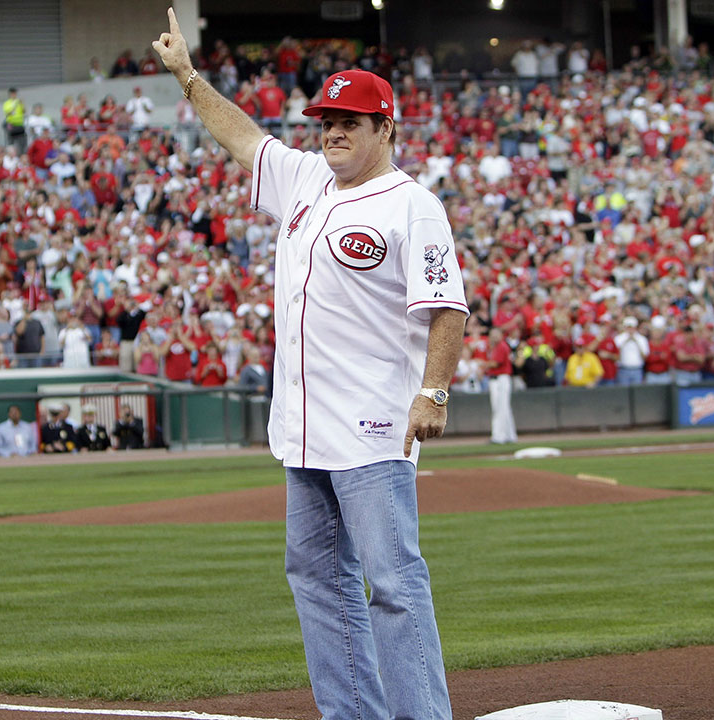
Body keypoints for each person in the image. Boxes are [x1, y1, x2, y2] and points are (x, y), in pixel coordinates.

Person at [153, 13, 465, 720]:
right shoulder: (303, 180)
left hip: (373, 427)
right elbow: (242, 136)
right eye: (327, 120)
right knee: (318, 581)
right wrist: (188, 77)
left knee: (392, 583)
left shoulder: (413, 206)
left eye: (351, 121)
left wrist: (434, 391)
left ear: (385, 129)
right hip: (301, 428)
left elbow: (447, 306)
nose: (334, 132)